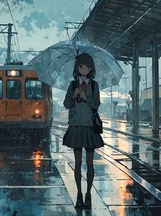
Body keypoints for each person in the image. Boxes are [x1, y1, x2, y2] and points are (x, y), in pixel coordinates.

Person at [63, 52, 104, 210]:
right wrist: (73, 96)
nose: (84, 68)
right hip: (76, 126)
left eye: (87, 66)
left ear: (91, 68)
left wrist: (86, 97)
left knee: (89, 163)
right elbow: (66, 104)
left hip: (89, 127)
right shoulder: (73, 85)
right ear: (77, 67)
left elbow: (96, 104)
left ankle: (88, 194)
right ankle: (79, 194)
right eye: (81, 66)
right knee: (78, 163)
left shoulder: (94, 85)